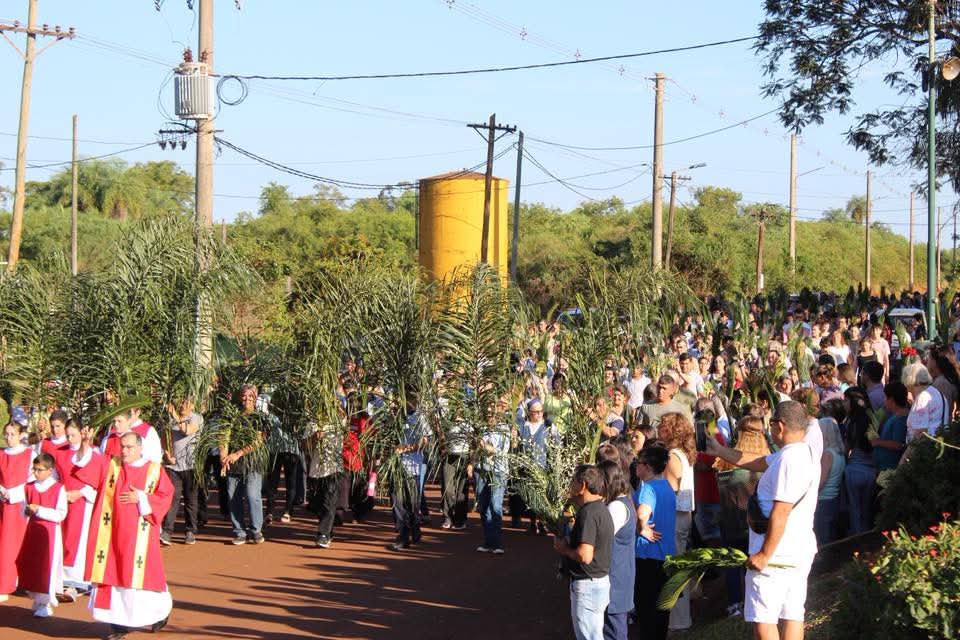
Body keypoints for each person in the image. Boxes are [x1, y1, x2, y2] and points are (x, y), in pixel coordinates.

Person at [707, 401, 820, 640]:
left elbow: (781, 511)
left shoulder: (788, 460)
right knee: (793, 615)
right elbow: (758, 461)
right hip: (799, 549)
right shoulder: (805, 452)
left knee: (764, 621)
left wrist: (764, 554)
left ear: (780, 426)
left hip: (776, 556)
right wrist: (719, 450)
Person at [73, 430, 174, 640]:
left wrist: (142, 498)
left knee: (141, 578)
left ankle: (159, 613)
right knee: (112, 574)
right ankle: (118, 625)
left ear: (140, 448)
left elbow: (166, 495)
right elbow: (86, 463)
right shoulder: (111, 465)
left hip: (139, 537)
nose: (125, 451)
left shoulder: (154, 470)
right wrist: (85, 443)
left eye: (129, 447)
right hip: (110, 534)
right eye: (122, 447)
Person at [714, 416, 771, 618]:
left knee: (732, 564)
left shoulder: (727, 461)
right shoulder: (768, 462)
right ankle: (755, 600)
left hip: (731, 522)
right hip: (758, 524)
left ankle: (734, 604)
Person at [554, 464, 614, 640]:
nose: (570, 485)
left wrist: (564, 549)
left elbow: (585, 555)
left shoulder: (588, 513)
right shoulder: (600, 508)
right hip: (598, 582)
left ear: (583, 485)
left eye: (573, 481)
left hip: (587, 585)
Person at [55, 419, 103, 599]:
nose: (69, 439)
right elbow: (54, 477)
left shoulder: (94, 453)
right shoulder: (59, 452)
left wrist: (81, 493)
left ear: (82, 433)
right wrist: (61, 493)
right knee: (63, 539)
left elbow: (98, 479)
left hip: (83, 502)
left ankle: (79, 581)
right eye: (67, 435)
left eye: (73, 435)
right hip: (63, 500)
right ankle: (62, 580)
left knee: (79, 540)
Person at [15, 452, 67, 618]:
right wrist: (27, 511)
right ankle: (37, 598)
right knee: (33, 565)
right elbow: (23, 509)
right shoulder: (29, 487)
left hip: (50, 533)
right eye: (34, 469)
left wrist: (40, 510)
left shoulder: (58, 488)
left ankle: (46, 602)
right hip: (33, 531)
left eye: (40, 470)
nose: (36, 473)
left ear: (50, 470)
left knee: (47, 567)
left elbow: (61, 514)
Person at [632, 444, 676, 640]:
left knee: (646, 611)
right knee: (661, 613)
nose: (636, 466)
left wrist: (642, 527)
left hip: (647, 556)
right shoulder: (667, 486)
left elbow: (642, 512)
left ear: (648, 467)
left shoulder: (647, 488)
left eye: (639, 463)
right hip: (666, 556)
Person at [657, 413, 696, 631]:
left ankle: (677, 621)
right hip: (682, 515)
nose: (659, 429)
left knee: (674, 570)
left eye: (663, 426)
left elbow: (670, 492)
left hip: (674, 517)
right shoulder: (682, 454)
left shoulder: (673, 456)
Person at [222, 384, 271, 545]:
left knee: (252, 496)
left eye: (251, 396)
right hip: (233, 463)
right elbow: (224, 436)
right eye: (244, 395)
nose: (247, 399)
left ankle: (256, 529)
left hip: (252, 463)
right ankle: (239, 531)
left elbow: (258, 441)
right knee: (233, 497)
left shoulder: (260, 417)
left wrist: (237, 454)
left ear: (256, 398)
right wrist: (223, 456)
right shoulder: (232, 415)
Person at [597, 459, 635, 640]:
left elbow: (599, 538)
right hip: (619, 577)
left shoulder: (616, 507)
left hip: (615, 580)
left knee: (614, 631)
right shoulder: (622, 502)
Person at [161, 399, 203, 546]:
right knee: (172, 499)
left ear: (192, 405)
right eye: (181, 402)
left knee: (191, 500)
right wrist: (167, 454)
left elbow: (187, 430)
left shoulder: (196, 418)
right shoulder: (170, 418)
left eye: (186, 403)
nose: (183, 405)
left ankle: (190, 531)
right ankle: (167, 531)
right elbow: (164, 437)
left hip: (191, 466)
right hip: (174, 467)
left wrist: (174, 414)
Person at [389, 400, 428, 551]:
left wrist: (405, 449)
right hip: (396, 467)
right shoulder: (396, 416)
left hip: (413, 467)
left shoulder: (420, 418)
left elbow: (424, 442)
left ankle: (415, 527)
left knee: (411, 503)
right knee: (397, 502)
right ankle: (403, 537)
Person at [0, 421, 32, 601]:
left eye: (13, 434)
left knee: (20, 543)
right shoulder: (1, 454)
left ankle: (23, 582)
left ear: (20, 435)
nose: (9, 437)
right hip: (3, 505)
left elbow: (33, 478)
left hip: (21, 505)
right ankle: (5, 584)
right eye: (7, 434)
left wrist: (13, 493)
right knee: (5, 544)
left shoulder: (29, 454)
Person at [476, 399, 511, 554]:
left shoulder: (504, 429)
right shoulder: (481, 428)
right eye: (488, 413)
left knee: (495, 505)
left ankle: (497, 543)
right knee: (483, 506)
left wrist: (488, 448)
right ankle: (488, 541)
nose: (490, 416)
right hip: (482, 470)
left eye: (492, 413)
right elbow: (476, 447)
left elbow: (503, 451)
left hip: (498, 471)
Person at [305, 419, 343, 549]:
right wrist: (314, 438)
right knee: (318, 505)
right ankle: (328, 530)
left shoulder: (339, 421)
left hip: (333, 469)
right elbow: (305, 446)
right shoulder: (312, 423)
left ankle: (323, 534)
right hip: (316, 471)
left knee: (329, 503)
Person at [843, 389, 875, 535]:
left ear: (853, 402)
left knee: (855, 509)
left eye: (846, 400)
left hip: (854, 469)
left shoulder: (850, 422)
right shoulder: (872, 418)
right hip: (871, 470)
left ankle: (857, 539)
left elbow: (846, 448)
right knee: (867, 510)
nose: (844, 404)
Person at [814, 417, 844, 546]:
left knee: (823, 541)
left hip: (823, 500)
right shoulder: (840, 452)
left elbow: (821, 481)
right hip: (833, 499)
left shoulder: (827, 454)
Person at [902, 363, 947, 444]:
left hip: (925, 448)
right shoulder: (936, 392)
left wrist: (907, 452)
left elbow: (920, 434)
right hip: (939, 443)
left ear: (909, 380)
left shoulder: (922, 398)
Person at [872, 382, 909, 470]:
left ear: (892, 400)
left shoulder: (901, 418)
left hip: (890, 468)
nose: (884, 400)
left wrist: (878, 442)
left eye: (885, 397)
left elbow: (898, 445)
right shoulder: (895, 415)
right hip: (884, 466)